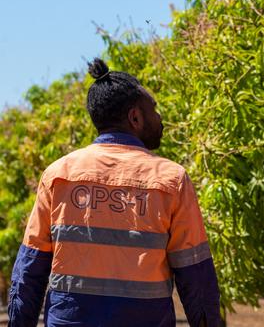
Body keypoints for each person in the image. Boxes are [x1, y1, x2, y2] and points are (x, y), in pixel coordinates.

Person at [8, 58, 221, 327]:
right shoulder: (171, 180)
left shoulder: (59, 175)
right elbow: (196, 278)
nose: (160, 118)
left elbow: (29, 271)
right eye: (154, 109)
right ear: (135, 117)